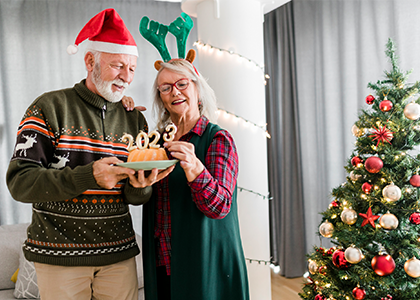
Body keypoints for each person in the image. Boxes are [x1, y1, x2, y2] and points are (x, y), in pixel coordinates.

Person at [6, 8, 173, 300]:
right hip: (60, 257)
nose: (126, 77)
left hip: (118, 255)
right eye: (118, 66)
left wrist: (142, 185)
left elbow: (134, 198)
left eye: (132, 69)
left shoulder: (135, 120)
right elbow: (20, 182)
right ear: (89, 60)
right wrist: (90, 175)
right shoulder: (49, 107)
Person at [138, 57, 250, 299]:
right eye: (165, 88)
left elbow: (220, 206)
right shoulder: (157, 143)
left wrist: (196, 169)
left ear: (197, 88)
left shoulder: (218, 140)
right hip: (163, 261)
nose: (174, 92)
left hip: (205, 264)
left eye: (181, 84)